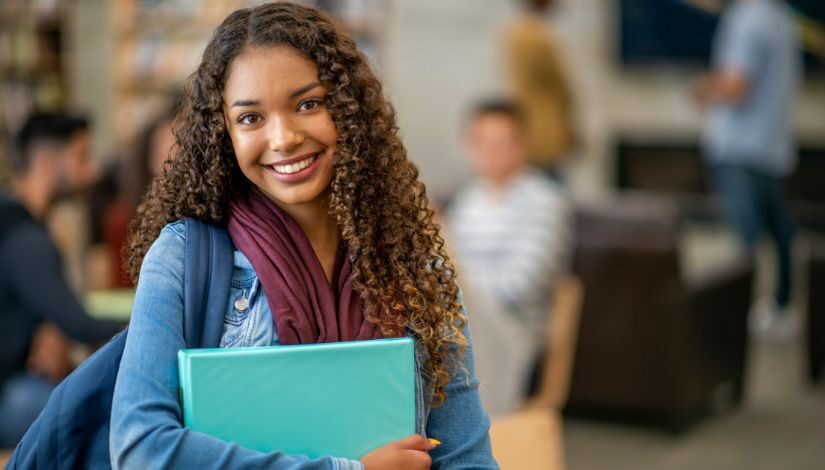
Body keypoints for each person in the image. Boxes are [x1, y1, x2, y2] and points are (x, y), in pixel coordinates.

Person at [111, 3, 497, 469]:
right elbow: (141, 450)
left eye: (308, 104)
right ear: (224, 134)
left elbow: (465, 459)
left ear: (349, 111)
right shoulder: (182, 258)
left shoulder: (413, 265)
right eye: (251, 118)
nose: (284, 137)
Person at [0, 112, 124, 446]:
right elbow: (79, 325)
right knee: (106, 414)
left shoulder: (17, 223)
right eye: (81, 157)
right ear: (45, 161)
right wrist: (153, 319)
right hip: (8, 395)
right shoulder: (23, 237)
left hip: (18, 380)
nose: (93, 171)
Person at [445, 99, 572, 415]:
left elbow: (521, 284)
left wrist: (461, 288)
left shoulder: (544, 201)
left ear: (522, 145)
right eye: (481, 143)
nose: (490, 152)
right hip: (463, 320)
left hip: (514, 329)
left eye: (500, 143)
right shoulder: (468, 200)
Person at [694, 0, 801, 337]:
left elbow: (735, 86)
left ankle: (739, 319)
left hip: (740, 147)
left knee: (747, 241)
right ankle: (781, 308)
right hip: (772, 145)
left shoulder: (746, 18)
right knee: (778, 230)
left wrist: (702, 89)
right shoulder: (782, 18)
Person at [503, 0, 576, 173]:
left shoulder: (515, 33)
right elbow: (559, 87)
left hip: (531, 124)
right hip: (544, 129)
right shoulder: (537, 37)